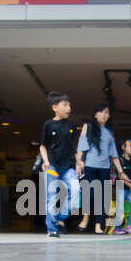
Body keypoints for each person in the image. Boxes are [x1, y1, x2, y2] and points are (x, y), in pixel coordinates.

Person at [75, 103, 125, 234]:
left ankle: (99, 225)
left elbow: (114, 155)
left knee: (103, 197)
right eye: (102, 112)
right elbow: (81, 146)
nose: (104, 114)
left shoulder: (109, 133)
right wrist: (78, 162)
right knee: (90, 193)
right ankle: (85, 218)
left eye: (107, 112)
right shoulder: (88, 127)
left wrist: (121, 172)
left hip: (104, 168)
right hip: (90, 166)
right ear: (95, 114)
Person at [39, 93, 80, 238]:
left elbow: (71, 147)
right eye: (65, 105)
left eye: (69, 105)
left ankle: (60, 218)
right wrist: (46, 162)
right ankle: (52, 229)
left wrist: (78, 163)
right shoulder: (48, 125)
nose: (68, 108)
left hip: (68, 166)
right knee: (51, 196)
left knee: (75, 190)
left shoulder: (71, 125)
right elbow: (43, 146)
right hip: (53, 166)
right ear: (55, 107)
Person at [113, 138, 131, 234]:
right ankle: (116, 228)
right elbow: (120, 177)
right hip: (121, 186)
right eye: (130, 147)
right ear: (123, 148)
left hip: (130, 189)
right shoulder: (120, 160)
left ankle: (129, 226)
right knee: (120, 207)